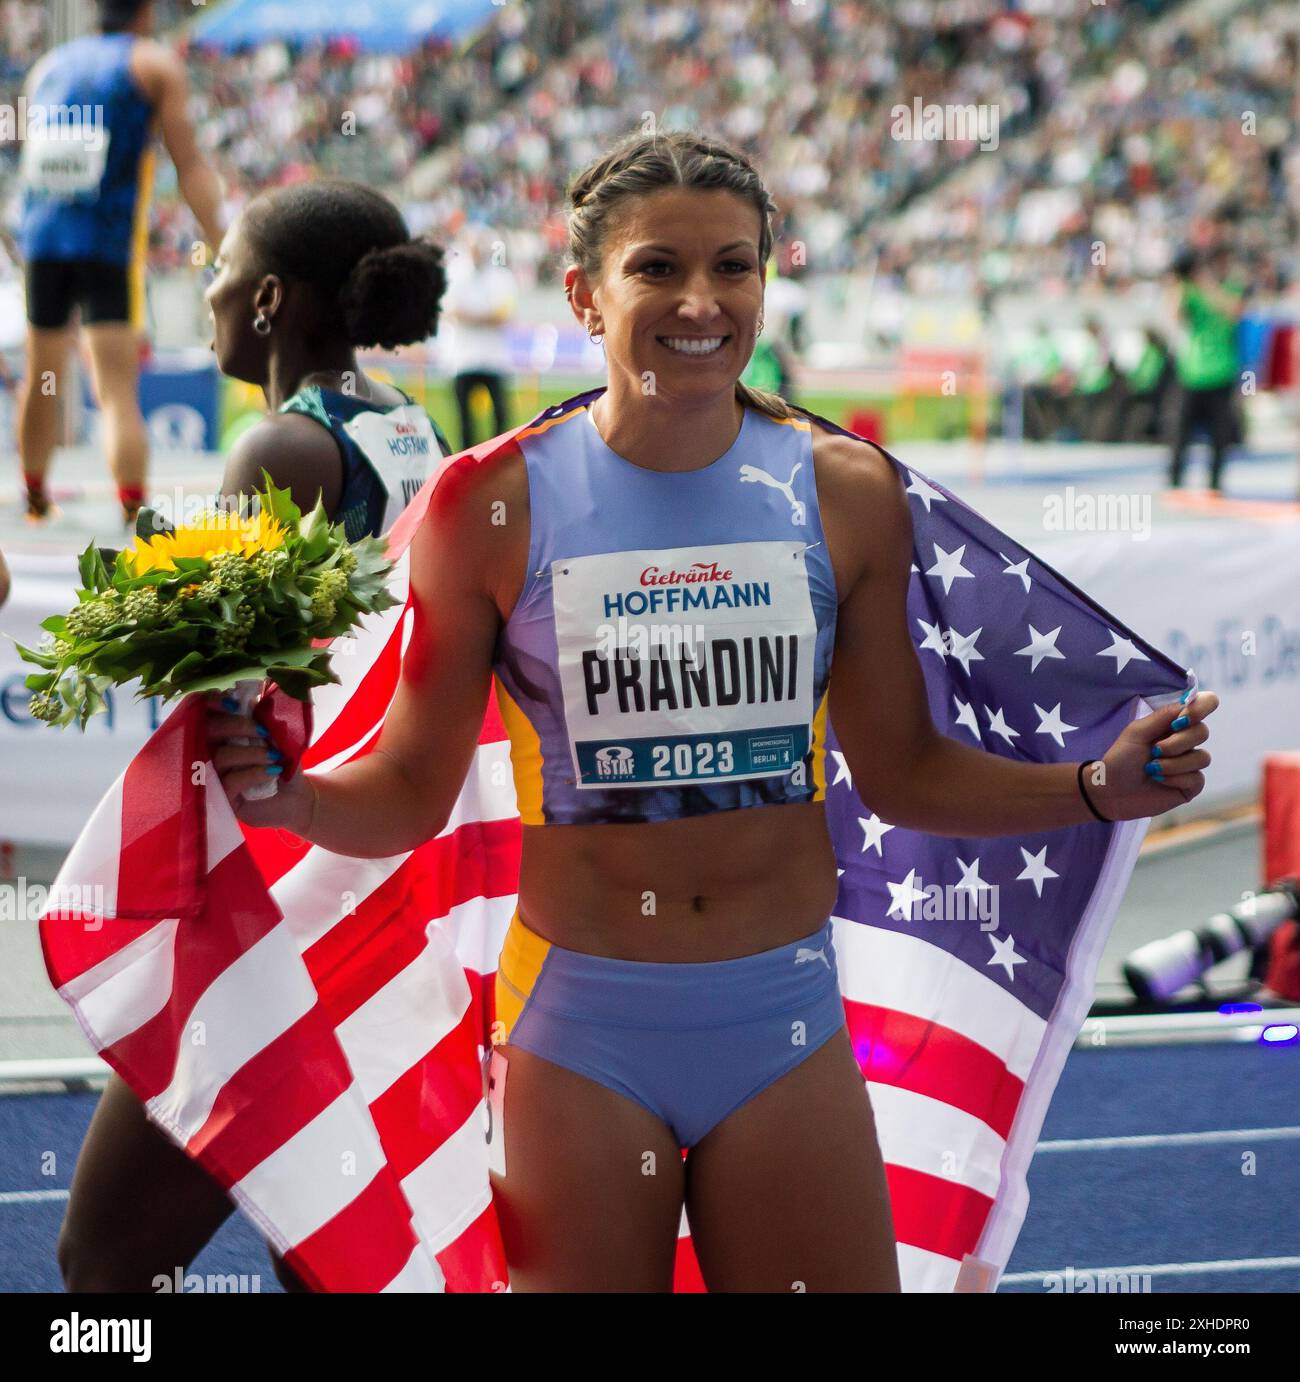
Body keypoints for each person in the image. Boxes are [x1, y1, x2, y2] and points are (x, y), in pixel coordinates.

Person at [208, 131, 1219, 1292]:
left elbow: (901, 773)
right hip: (578, 1031)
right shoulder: (487, 502)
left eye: (733, 266)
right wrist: (289, 793)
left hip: (782, 1024)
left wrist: (1092, 788)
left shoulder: (842, 490)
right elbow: (408, 790)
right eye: (657, 269)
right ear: (586, 294)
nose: (701, 300)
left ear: (766, 279)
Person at [56, 178, 451, 1294]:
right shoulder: (413, 429)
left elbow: (223, 682)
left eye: (218, 267)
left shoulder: (281, 446)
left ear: (270, 299)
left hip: (275, 892)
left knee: (105, 1259)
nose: (209, 286)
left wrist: (132, 609)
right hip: (376, 881)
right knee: (325, 1241)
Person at [14, 0, 225, 528]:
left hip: (43, 239)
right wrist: (222, 239)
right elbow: (190, 165)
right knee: (114, 388)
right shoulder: (153, 64)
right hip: (106, 243)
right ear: (146, 12)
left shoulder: (50, 66)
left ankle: (35, 498)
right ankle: (132, 509)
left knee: (42, 373)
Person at [1167, 246, 1246, 495]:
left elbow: (1235, 312)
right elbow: (1174, 314)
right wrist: (1178, 284)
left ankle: (1215, 483)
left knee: (1220, 433)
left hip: (1221, 370)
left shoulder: (1228, 290)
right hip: (1192, 371)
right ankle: (1175, 480)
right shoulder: (1188, 291)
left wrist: (1208, 286)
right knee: (1181, 430)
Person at [440, 225, 516, 451]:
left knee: (501, 416)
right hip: (462, 359)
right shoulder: (455, 273)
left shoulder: (501, 276)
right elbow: (453, 312)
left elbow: (502, 316)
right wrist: (486, 316)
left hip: (493, 359)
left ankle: (497, 457)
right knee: (465, 422)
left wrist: (471, 316)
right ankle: (468, 461)